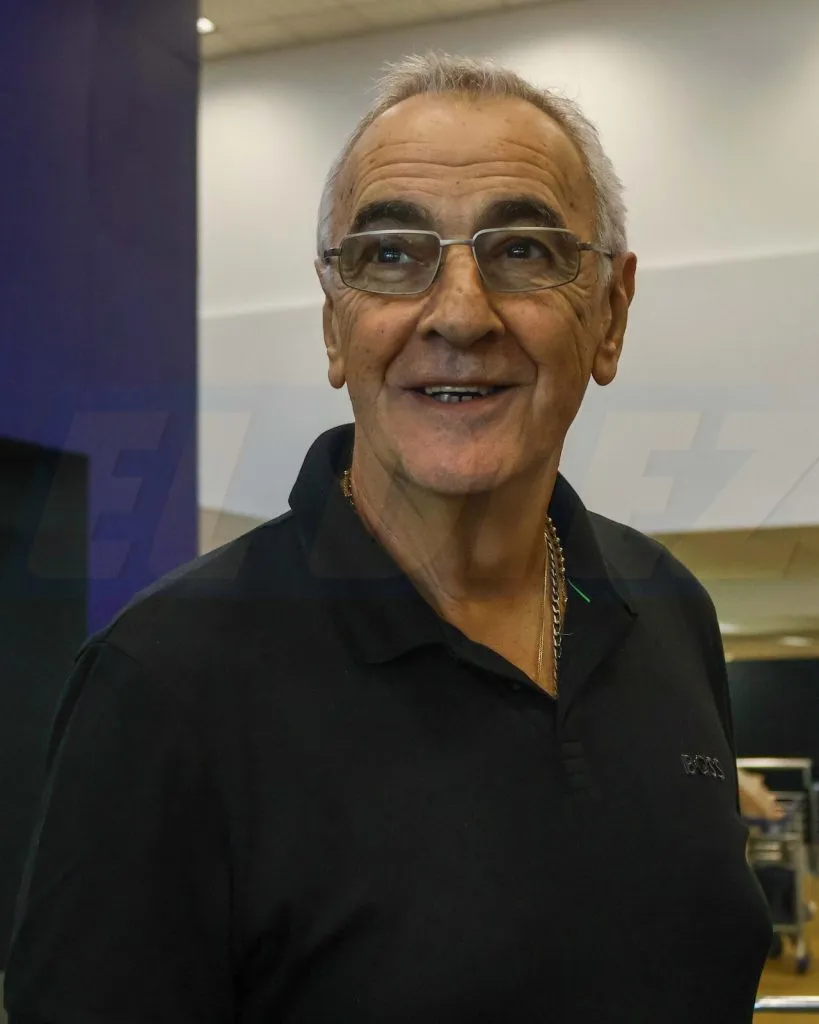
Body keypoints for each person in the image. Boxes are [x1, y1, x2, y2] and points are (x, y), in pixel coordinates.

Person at [5, 53, 771, 1023]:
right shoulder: (166, 683)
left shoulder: (666, 612)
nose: (459, 314)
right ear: (336, 326)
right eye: (392, 255)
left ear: (610, 314)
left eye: (522, 250)